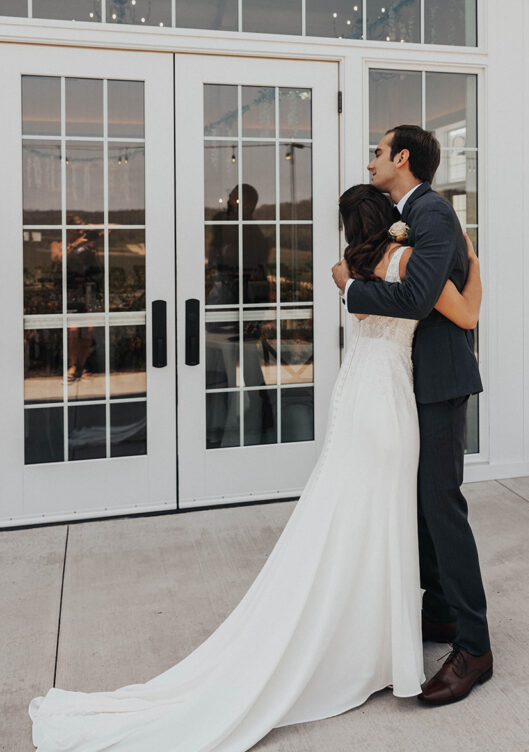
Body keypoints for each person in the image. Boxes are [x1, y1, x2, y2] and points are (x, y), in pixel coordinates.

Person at [28, 184, 482, 752]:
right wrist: (472, 258)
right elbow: (467, 311)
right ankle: (382, 636)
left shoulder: (346, 270)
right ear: (391, 220)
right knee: (385, 511)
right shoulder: (410, 260)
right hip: (390, 402)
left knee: (351, 509)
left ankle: (377, 624)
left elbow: (365, 299)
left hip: (357, 396)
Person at [332, 124, 493, 706]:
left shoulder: (432, 213)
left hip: (441, 384)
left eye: (378, 151)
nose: (371, 159)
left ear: (402, 157)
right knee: (421, 505)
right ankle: (444, 616)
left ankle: (475, 647)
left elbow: (421, 297)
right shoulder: (402, 215)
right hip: (407, 381)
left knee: (443, 508)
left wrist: (352, 290)